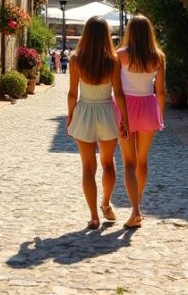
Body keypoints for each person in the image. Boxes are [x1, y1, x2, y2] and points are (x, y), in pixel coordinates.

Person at [66, 17, 128, 230]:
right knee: (108, 163)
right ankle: (106, 203)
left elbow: (73, 93)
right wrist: (125, 119)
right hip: (107, 112)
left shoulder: (75, 60)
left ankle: (93, 216)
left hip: (84, 111)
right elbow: (119, 94)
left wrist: (70, 116)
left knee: (87, 167)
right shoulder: (113, 60)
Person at [115, 15, 166, 229]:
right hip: (147, 107)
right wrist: (159, 114)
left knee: (128, 162)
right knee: (142, 160)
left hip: (125, 107)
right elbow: (161, 91)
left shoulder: (121, 56)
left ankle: (135, 210)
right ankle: (138, 205)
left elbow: (116, 88)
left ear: (130, 32)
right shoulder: (158, 57)